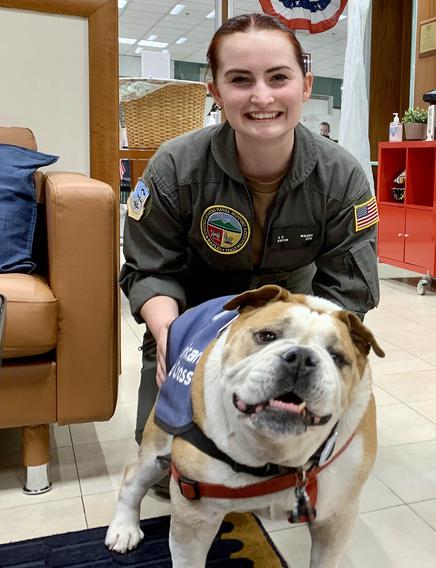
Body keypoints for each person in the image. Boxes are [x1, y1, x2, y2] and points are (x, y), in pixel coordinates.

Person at [120, 13, 380, 456]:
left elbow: (347, 291)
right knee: (170, 461)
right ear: (216, 92)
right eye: (240, 80)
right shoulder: (174, 167)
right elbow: (150, 270)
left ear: (305, 85)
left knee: (293, 452)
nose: (262, 96)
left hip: (294, 324)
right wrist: (170, 340)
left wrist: (306, 360)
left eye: (278, 77)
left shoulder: (342, 178)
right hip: (194, 320)